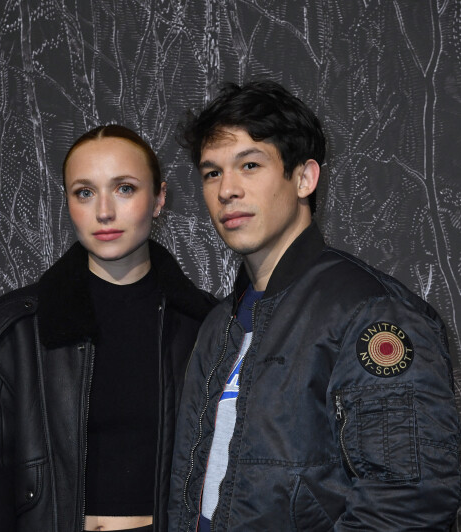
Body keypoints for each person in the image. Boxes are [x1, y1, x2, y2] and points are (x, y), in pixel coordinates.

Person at [168, 80, 461, 531]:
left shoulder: (373, 313)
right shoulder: (216, 325)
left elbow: (409, 506)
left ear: (304, 178)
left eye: (249, 165)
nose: (227, 190)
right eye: (212, 173)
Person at [0, 124, 216, 532]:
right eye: (84, 192)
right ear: (68, 203)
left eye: (124, 188)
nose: (104, 211)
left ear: (159, 199)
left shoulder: (206, 327)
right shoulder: (17, 331)